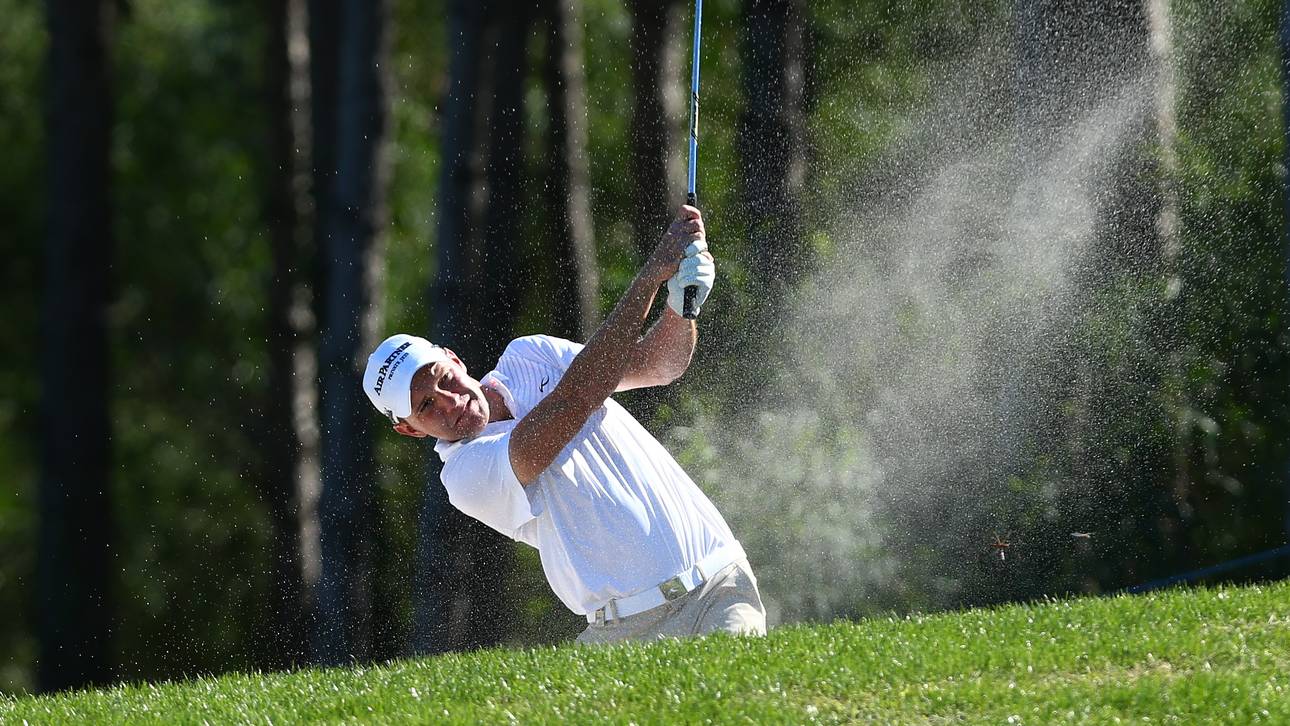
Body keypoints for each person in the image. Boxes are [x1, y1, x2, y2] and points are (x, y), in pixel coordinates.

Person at [362, 205, 765, 644]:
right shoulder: (464, 475)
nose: (450, 400)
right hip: (624, 632)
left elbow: (658, 365)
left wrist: (680, 305)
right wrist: (650, 278)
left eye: (444, 378)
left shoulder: (529, 354)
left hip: (720, 587)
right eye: (425, 406)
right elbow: (575, 400)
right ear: (411, 429)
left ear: (455, 359)